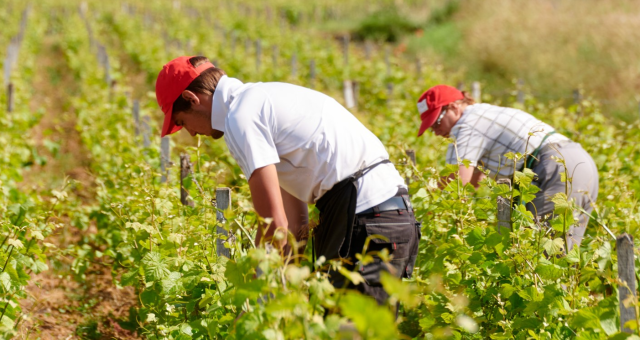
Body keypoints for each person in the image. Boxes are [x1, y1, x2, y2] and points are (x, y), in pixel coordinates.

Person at [155, 55, 421, 304]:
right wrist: (287, 291)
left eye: (182, 121)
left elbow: (273, 225)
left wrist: (257, 297)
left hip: (363, 219)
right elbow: (295, 225)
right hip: (386, 215)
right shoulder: (263, 98)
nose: (190, 133)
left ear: (191, 98)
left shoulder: (241, 117)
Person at [417, 85, 599, 249]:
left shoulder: (466, 124)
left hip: (554, 168)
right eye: (430, 127)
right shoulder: (482, 114)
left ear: (454, 107)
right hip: (578, 162)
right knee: (562, 255)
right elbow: (473, 182)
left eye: (436, 121)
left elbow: (458, 180)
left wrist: (426, 206)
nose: (436, 131)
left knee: (537, 251)